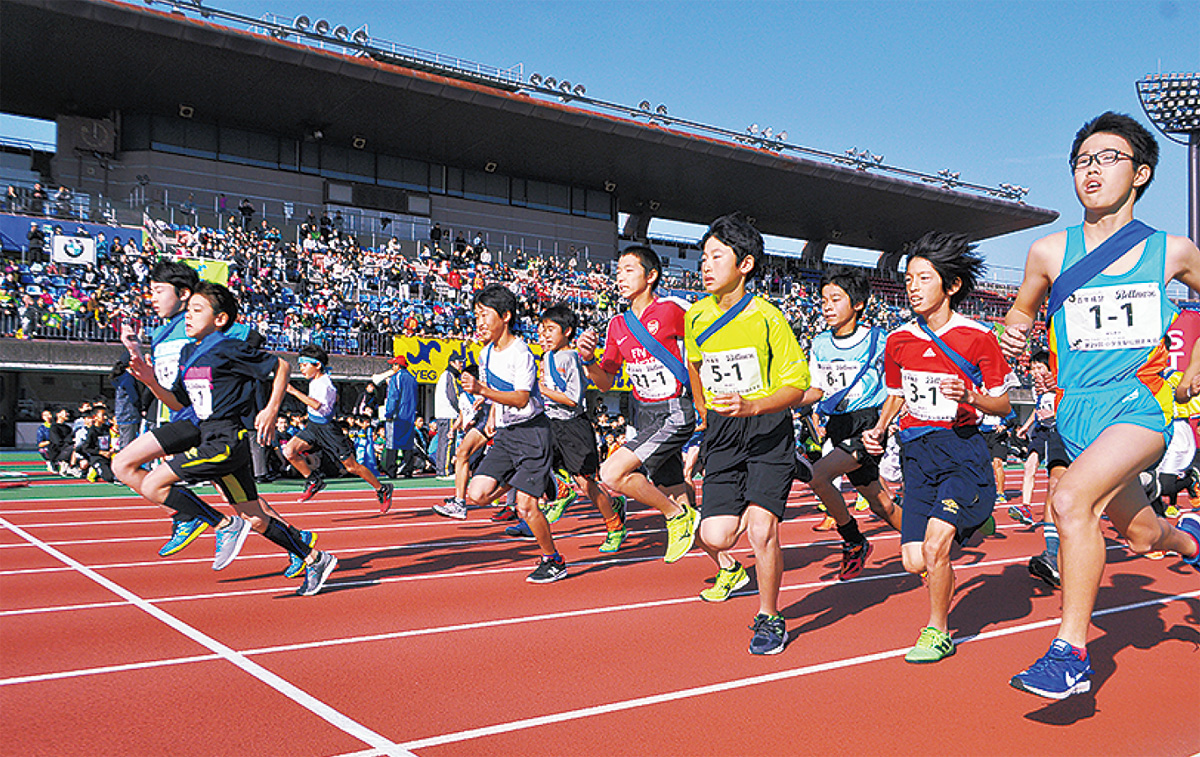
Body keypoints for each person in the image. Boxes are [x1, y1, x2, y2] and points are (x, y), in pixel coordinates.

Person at [1002, 112, 1200, 699]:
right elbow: (1021, 310)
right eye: (1083, 160)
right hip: (1075, 411)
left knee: (1068, 500)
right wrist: (1015, 329)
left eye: (1107, 158)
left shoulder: (1173, 251)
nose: (1091, 168)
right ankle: (1191, 540)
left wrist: (1195, 367)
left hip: (1140, 408)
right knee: (1141, 537)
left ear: (1140, 173)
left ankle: (1069, 653)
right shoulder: (1046, 250)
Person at [125, 282, 338, 596]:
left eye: (198, 310)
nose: (189, 316)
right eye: (189, 310)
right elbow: (178, 404)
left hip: (224, 441)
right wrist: (151, 382)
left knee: (153, 484)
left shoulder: (227, 347)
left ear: (220, 319)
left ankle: (220, 523)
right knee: (256, 518)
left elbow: (281, 365)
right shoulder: (188, 352)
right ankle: (315, 558)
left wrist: (270, 410)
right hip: (214, 440)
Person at [863, 231, 1014, 664]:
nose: (912, 286)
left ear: (951, 286)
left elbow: (1003, 404)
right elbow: (896, 393)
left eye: (923, 278)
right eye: (908, 278)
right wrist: (880, 427)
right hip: (916, 453)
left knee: (935, 547)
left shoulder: (978, 337)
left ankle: (938, 631)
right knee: (913, 561)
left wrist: (970, 398)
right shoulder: (898, 341)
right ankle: (973, 520)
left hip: (961, 449)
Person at [685, 213, 810, 655]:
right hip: (722, 432)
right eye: (703, 257)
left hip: (766, 430)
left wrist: (755, 404)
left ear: (746, 265)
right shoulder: (695, 316)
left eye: (717, 256)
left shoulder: (768, 318)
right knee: (716, 536)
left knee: (761, 531)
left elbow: (797, 385)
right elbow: (695, 365)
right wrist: (703, 415)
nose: (706, 265)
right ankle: (760, 500)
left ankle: (769, 616)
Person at [576, 246, 700, 563]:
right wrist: (588, 360)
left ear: (651, 275)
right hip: (644, 414)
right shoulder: (618, 324)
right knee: (678, 493)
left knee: (612, 473)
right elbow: (604, 380)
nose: (620, 276)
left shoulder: (674, 309)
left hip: (674, 410)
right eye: (618, 271)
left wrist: (705, 405)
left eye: (629, 269)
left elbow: (705, 349)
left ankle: (674, 516)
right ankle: (727, 565)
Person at [438, 284, 566, 583]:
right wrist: (492, 411)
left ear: (505, 316)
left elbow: (522, 398)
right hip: (507, 434)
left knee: (525, 507)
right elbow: (497, 392)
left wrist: (482, 391)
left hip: (533, 432)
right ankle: (544, 480)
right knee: (478, 494)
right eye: (476, 315)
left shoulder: (521, 352)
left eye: (484, 315)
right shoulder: (484, 354)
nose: (479, 322)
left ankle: (554, 559)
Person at [801, 266, 903, 580]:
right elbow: (816, 389)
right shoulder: (819, 344)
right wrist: (785, 402)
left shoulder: (879, 340)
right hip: (838, 425)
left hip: (869, 424)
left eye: (835, 299)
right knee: (879, 502)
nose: (826, 306)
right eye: (823, 300)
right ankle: (925, 542)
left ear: (857, 304)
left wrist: (882, 426)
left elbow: (896, 389)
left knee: (818, 476)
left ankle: (854, 540)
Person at [112, 261, 209, 556]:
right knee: (123, 465)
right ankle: (303, 546)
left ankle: (193, 515)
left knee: (248, 509)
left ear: (183, 293)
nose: (151, 298)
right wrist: (135, 352)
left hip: (211, 424)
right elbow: (169, 393)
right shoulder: (161, 334)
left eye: (158, 291)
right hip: (183, 417)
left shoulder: (201, 323)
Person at [536, 303, 628, 551]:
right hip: (552, 423)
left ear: (567, 331)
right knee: (534, 460)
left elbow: (573, 399)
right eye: (542, 329)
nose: (544, 335)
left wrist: (542, 390)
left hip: (573, 426)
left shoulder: (572, 358)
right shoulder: (547, 356)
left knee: (586, 482)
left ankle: (615, 526)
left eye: (550, 329)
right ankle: (563, 490)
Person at [283, 344, 393, 512]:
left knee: (351, 467)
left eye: (305, 365)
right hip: (313, 426)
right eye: (300, 365)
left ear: (317, 365)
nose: (302, 369)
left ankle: (382, 489)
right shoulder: (314, 381)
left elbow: (317, 405)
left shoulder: (325, 384)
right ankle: (313, 480)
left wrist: (294, 392)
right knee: (289, 451)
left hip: (328, 429)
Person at [381, 355, 419, 483]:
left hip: (397, 416)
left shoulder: (396, 378)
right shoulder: (412, 378)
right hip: (409, 416)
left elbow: (393, 397)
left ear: (398, 366)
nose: (392, 367)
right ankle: (408, 470)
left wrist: (388, 413)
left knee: (392, 443)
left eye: (393, 365)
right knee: (408, 444)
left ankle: (391, 471)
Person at [432, 356, 463, 478]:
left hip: (442, 414)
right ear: (452, 363)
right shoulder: (449, 375)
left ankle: (441, 470)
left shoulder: (445, 375)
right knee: (448, 442)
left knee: (442, 442)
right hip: (448, 413)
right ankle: (445, 471)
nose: (461, 365)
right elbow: (453, 395)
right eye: (459, 362)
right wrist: (461, 410)